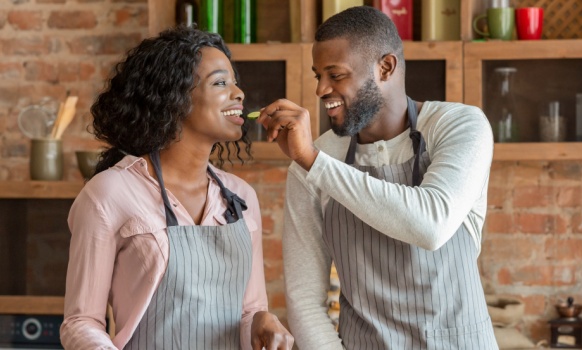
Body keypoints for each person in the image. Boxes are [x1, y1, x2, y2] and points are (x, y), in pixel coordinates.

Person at [256, 6, 497, 349]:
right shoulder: (313, 161)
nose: (321, 89)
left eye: (335, 75)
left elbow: (430, 224)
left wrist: (313, 161)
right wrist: (311, 160)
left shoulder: (459, 126)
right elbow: (305, 301)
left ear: (385, 67)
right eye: (317, 76)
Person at [61, 27, 294, 350]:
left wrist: (260, 321)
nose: (239, 92)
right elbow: (80, 322)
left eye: (235, 81)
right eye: (220, 82)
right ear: (174, 98)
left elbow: (248, 311)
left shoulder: (241, 199)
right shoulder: (109, 193)